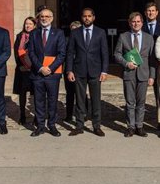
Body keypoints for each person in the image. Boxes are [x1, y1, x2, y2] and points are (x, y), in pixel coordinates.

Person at [66, 8, 109, 137]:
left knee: (96, 100)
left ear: (93, 17)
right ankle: (79, 126)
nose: (87, 18)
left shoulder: (100, 33)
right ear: (81, 18)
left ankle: (97, 126)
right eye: (85, 16)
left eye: (89, 16)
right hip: (79, 71)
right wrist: (69, 70)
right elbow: (70, 53)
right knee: (79, 100)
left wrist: (104, 71)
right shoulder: (75, 33)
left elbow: (105, 53)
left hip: (95, 71)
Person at [114, 11, 155, 137]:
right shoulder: (123, 36)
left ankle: (139, 126)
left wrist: (152, 76)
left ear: (142, 23)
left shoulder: (149, 38)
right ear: (129, 23)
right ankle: (130, 127)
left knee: (141, 103)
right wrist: (127, 64)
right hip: (129, 73)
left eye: (138, 21)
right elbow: (117, 54)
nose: (135, 24)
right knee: (130, 102)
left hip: (143, 74)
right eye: (133, 21)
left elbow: (152, 58)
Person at [28, 8, 66, 137]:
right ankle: (40, 126)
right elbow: (31, 53)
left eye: (47, 16)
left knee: (52, 100)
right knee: (38, 101)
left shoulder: (59, 33)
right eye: (42, 16)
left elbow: (62, 54)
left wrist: (50, 68)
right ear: (39, 18)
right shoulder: (33, 33)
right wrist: (40, 67)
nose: (44, 19)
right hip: (38, 73)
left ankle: (52, 125)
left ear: (52, 18)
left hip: (52, 73)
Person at [13, 16, 36, 126]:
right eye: (26, 23)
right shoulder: (19, 36)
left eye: (30, 24)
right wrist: (21, 64)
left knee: (36, 94)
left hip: (34, 70)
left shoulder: (37, 36)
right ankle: (22, 115)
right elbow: (16, 53)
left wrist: (33, 65)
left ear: (34, 25)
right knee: (22, 94)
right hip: (22, 69)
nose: (28, 26)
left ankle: (37, 116)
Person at [63, 21, 82, 123]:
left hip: (80, 69)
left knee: (81, 93)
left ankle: (83, 113)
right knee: (69, 93)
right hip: (68, 69)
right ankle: (69, 115)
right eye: (72, 30)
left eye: (76, 30)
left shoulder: (83, 40)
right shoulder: (66, 40)